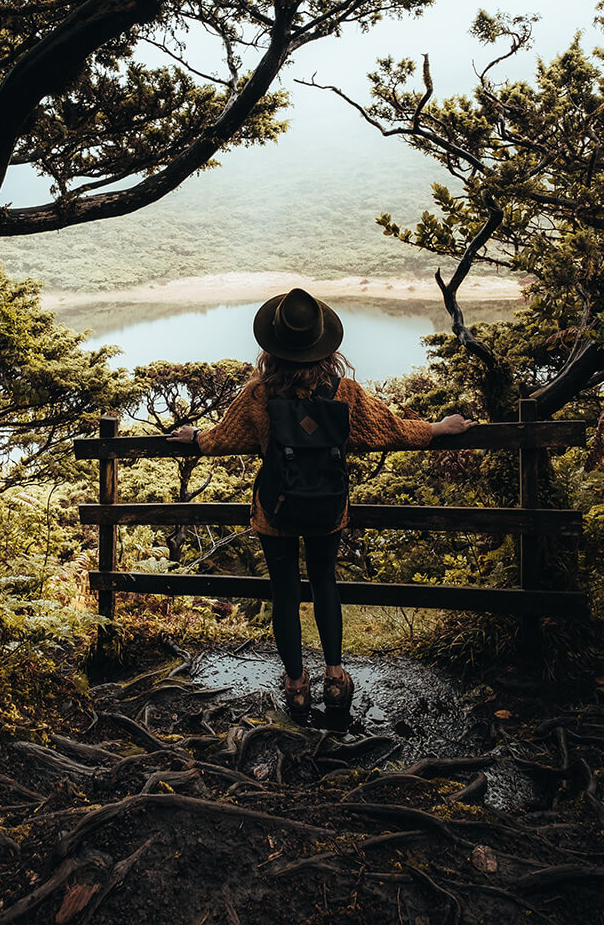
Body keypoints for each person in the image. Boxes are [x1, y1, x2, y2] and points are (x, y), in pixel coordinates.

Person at [167, 288, 476, 718]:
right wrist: (440, 428)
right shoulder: (343, 393)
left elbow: (222, 439)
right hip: (328, 510)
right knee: (325, 582)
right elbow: (393, 430)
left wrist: (195, 439)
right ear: (322, 343)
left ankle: (295, 684)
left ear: (273, 346)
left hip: (275, 511)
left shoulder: (259, 396)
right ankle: (334, 677)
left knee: (284, 592)